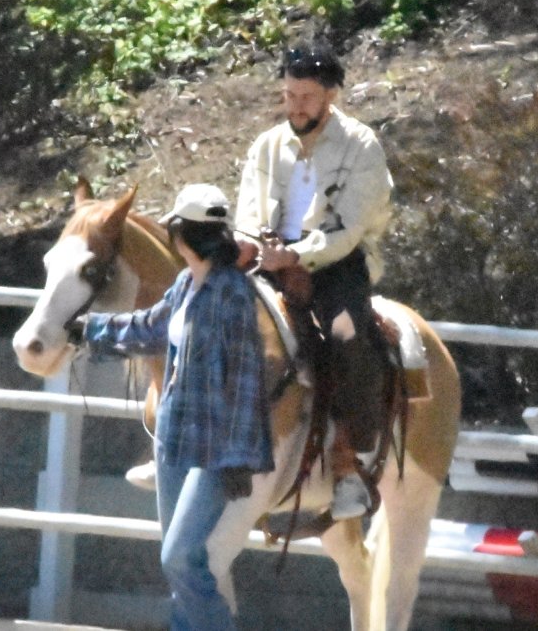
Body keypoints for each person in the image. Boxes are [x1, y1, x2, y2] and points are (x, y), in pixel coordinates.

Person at [73, 183, 272, 631]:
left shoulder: (232, 292)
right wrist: (89, 330)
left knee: (179, 556)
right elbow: (151, 327)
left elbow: (244, 380)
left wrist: (237, 456)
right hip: (173, 438)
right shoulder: (186, 283)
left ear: (183, 234)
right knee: (180, 565)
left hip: (215, 449)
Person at [235, 41, 393, 521]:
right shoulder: (266, 144)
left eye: (306, 95)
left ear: (330, 96)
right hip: (269, 259)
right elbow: (247, 207)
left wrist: (297, 254)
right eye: (289, 94)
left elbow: (350, 227)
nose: (296, 104)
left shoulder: (361, 144)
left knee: (346, 334)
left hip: (336, 263)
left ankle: (351, 464)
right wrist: (255, 244)